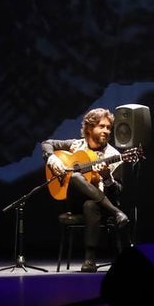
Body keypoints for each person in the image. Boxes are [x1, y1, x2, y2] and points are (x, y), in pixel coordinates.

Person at [41, 108, 132, 273]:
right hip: (73, 202)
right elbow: (47, 143)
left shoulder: (114, 156)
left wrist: (106, 178)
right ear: (89, 128)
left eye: (108, 127)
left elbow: (117, 191)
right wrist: (52, 158)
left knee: (90, 205)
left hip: (101, 205)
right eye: (101, 126)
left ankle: (89, 260)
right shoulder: (76, 145)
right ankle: (117, 213)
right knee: (75, 177)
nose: (106, 131)